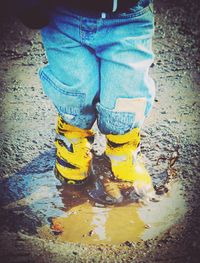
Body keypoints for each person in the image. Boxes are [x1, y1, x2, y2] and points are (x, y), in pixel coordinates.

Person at [11, 0, 156, 203]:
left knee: (126, 94)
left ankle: (122, 152)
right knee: (73, 90)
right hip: (62, 14)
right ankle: (72, 141)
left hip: (128, 18)